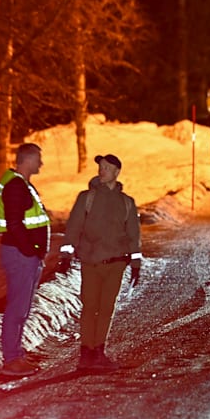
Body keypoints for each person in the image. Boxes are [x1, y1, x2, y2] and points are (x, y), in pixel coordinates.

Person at [57, 154, 143, 370]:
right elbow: (73, 228)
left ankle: (98, 352)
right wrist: (66, 254)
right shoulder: (87, 198)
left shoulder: (127, 203)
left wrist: (135, 264)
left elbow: (134, 235)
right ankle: (86, 354)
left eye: (107, 167)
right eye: (100, 167)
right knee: (89, 307)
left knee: (106, 309)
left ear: (116, 172)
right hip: (91, 263)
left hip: (115, 265)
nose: (101, 170)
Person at [0, 142, 50, 376]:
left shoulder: (20, 184)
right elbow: (14, 224)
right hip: (20, 256)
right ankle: (11, 360)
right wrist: (30, 249)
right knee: (17, 307)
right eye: (38, 159)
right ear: (28, 159)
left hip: (24, 255)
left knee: (22, 307)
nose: (41, 163)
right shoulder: (16, 186)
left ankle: (16, 353)